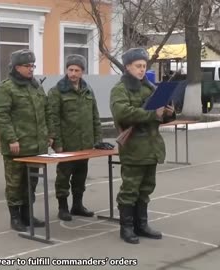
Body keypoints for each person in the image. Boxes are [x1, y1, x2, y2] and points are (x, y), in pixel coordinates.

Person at [109, 48, 176, 244]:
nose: (141, 70)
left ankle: (141, 224)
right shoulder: (120, 89)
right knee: (130, 189)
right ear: (128, 67)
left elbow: (157, 118)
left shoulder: (150, 88)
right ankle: (127, 228)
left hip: (151, 147)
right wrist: (152, 113)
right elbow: (123, 113)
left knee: (146, 188)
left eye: (144, 66)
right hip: (134, 147)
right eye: (138, 66)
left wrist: (168, 114)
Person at [0, 49, 54, 232]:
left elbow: (46, 111)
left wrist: (50, 135)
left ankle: (28, 214)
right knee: (15, 183)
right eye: (27, 66)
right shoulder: (6, 88)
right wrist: (11, 139)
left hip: (36, 146)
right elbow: (1, 116)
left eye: (32, 65)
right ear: (16, 67)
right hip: (17, 146)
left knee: (31, 183)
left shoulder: (35, 86)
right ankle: (15, 217)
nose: (31, 69)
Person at [48, 54, 102, 221]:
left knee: (80, 176)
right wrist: (57, 143)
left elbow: (95, 116)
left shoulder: (88, 90)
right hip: (66, 144)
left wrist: (97, 139)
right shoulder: (57, 91)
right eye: (70, 69)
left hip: (85, 144)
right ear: (66, 70)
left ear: (82, 72)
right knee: (63, 176)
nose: (73, 73)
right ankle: (62, 207)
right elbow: (52, 118)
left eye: (76, 70)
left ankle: (77, 205)